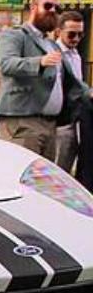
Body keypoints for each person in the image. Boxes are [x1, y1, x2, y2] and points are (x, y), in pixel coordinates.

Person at [0, 0, 92, 159]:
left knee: (43, 182)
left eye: (57, 8)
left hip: (50, 125)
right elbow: (6, 64)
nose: (53, 10)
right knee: (21, 176)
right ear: (33, 7)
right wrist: (39, 62)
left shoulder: (51, 44)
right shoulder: (15, 35)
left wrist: (88, 93)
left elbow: (71, 82)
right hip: (22, 121)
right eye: (47, 6)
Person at [55, 11, 86, 172]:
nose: (76, 39)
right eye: (72, 34)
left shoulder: (76, 55)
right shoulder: (54, 53)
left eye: (80, 35)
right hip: (60, 122)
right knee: (58, 169)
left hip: (75, 120)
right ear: (59, 32)